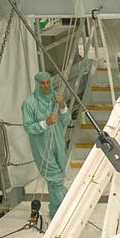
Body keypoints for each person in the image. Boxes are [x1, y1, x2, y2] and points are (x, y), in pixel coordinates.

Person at [22, 71, 72, 217]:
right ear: (37, 85)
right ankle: (69, 211)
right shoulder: (29, 103)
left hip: (58, 143)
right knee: (55, 179)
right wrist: (45, 123)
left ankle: (55, 213)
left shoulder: (56, 98)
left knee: (57, 177)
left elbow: (67, 120)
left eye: (48, 82)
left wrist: (62, 106)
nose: (46, 86)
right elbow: (28, 127)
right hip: (42, 147)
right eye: (43, 83)